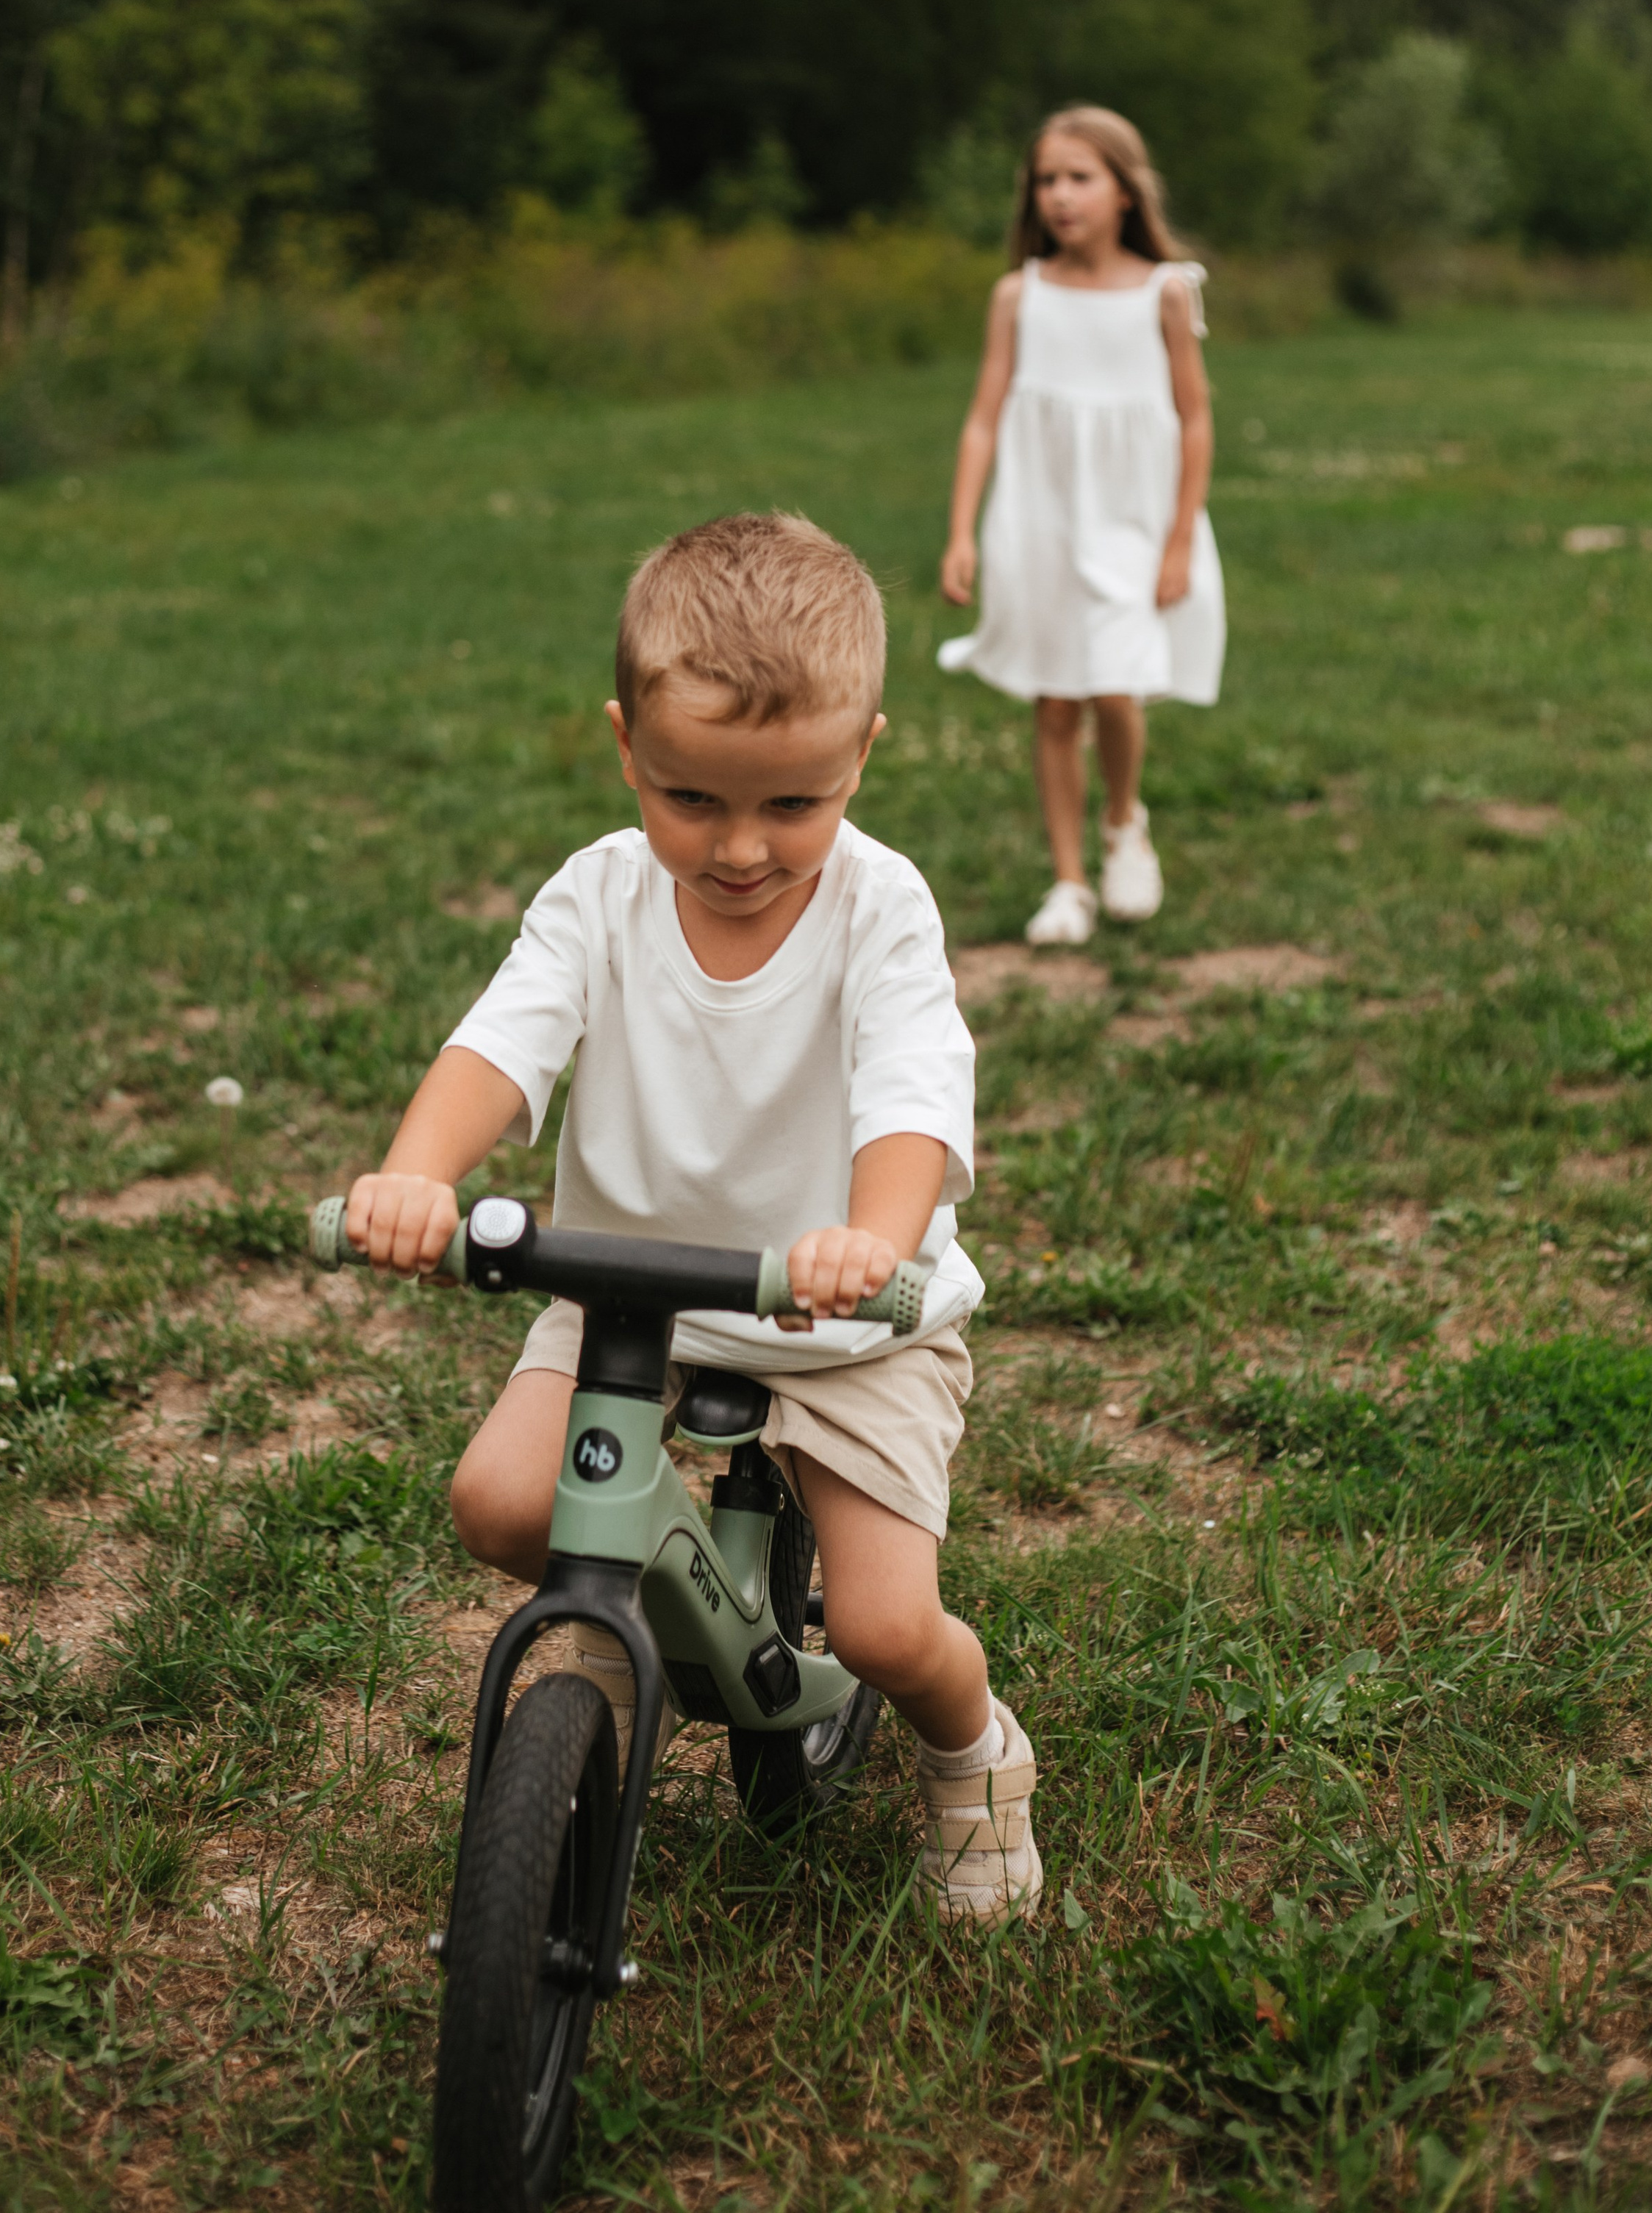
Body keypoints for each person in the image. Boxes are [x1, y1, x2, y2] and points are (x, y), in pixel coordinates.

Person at [346, 512, 1040, 1927]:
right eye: (691, 799)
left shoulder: (879, 910)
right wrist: (418, 1170)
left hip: (849, 1320)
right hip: (631, 1293)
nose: (738, 847)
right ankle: (642, 1610)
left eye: (792, 804)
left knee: (887, 1626)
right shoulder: (600, 896)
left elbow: (912, 1097)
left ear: (863, 757)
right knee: (500, 1502)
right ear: (627, 749)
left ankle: (976, 1753)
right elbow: (502, 1045)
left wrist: (872, 1239)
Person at [937, 106, 1224, 947]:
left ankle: (1124, 821)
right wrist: (961, 531)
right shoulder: (1018, 296)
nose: (1059, 196)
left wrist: (1179, 538)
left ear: (1124, 191)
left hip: (1133, 521)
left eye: (1079, 178)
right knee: (1056, 700)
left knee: (1116, 682)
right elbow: (983, 418)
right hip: (1040, 521)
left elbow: (1195, 419)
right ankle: (1068, 883)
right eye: (1046, 180)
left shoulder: (1164, 292)